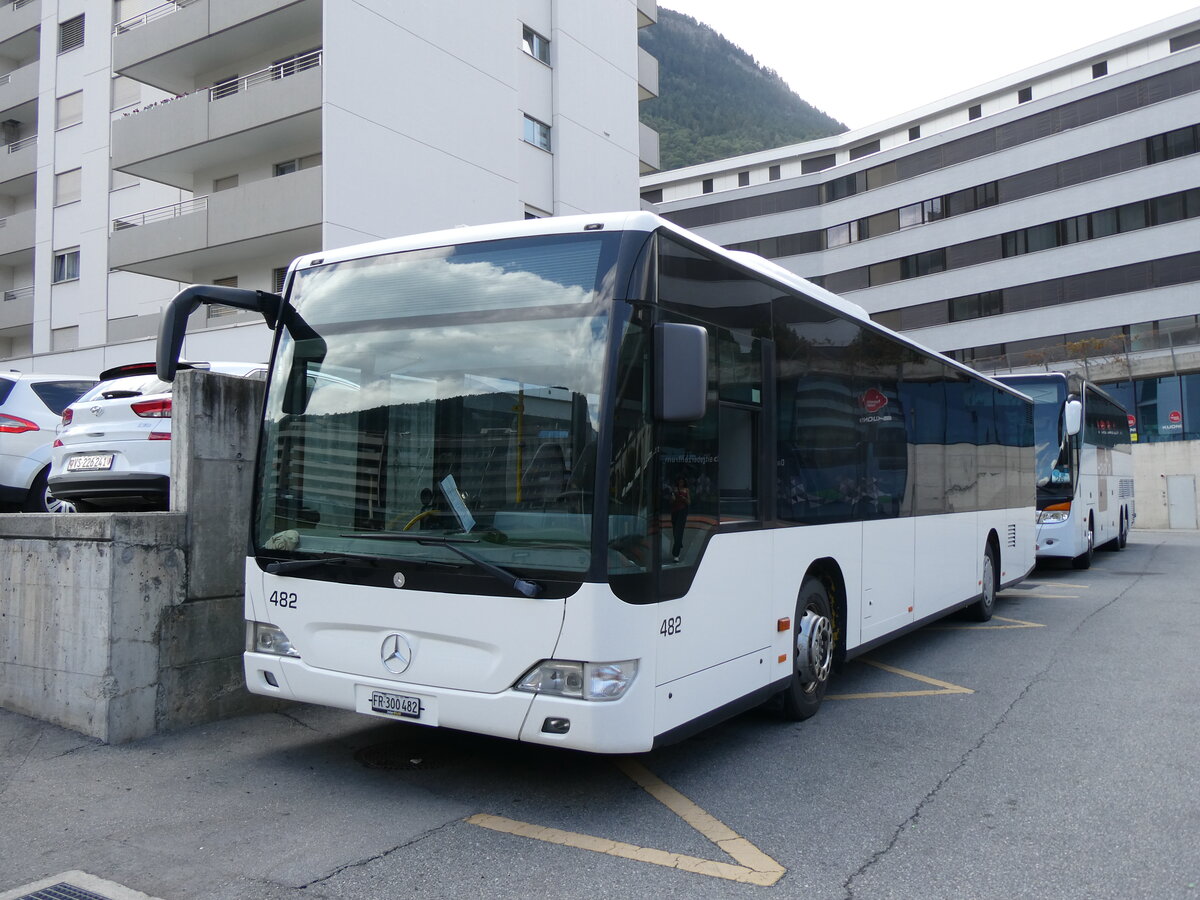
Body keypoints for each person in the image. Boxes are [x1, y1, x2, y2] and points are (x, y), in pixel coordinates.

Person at [670, 476, 690, 562]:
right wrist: (673, 498)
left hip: (682, 512)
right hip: (675, 512)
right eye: (679, 481)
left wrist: (684, 498)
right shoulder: (674, 490)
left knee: (679, 532)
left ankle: (676, 554)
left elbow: (689, 502)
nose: (680, 483)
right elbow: (670, 502)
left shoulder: (686, 490)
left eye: (682, 482)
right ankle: (679, 544)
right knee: (675, 532)